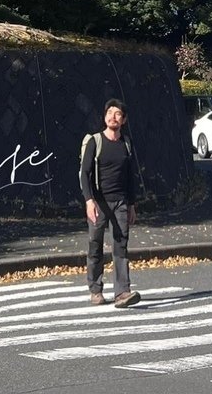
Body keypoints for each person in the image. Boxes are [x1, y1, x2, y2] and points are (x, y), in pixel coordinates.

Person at [80, 98, 140, 307]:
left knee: (121, 246)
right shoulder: (95, 141)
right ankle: (95, 289)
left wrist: (132, 204)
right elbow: (84, 174)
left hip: (121, 202)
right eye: (110, 112)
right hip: (99, 202)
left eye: (118, 114)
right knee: (95, 245)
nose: (113, 117)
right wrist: (89, 201)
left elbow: (130, 176)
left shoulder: (126, 143)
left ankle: (122, 292)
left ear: (124, 120)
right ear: (104, 116)